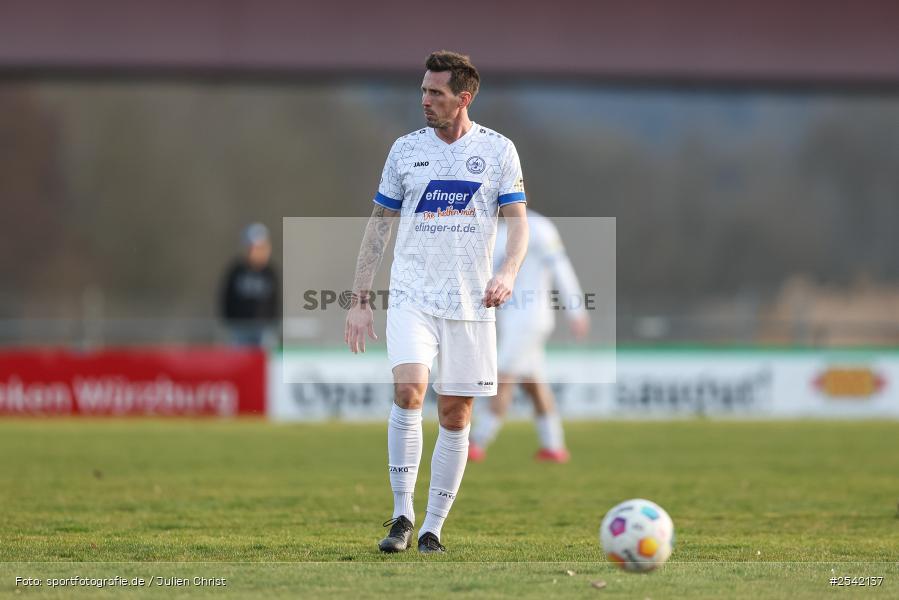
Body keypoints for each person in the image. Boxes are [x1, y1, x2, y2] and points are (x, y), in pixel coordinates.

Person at [345, 51, 528, 554]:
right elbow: (379, 226)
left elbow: (518, 225)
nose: (425, 100)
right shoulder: (405, 150)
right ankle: (401, 516)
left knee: (455, 414)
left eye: (436, 93)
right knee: (409, 391)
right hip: (412, 295)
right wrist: (360, 298)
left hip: (470, 304)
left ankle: (433, 528)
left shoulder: (499, 151)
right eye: (423, 91)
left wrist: (508, 272)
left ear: (463, 98)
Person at [469, 209, 589, 463]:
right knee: (533, 383)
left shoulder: (539, 227)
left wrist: (576, 310)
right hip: (510, 321)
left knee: (502, 377)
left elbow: (561, 268)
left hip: (530, 318)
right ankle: (553, 446)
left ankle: (477, 441)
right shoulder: (491, 231)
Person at [219, 222, 280, 347]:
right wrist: (230, 322)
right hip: (240, 327)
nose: (255, 252)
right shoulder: (236, 271)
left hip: (265, 328)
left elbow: (277, 300)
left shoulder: (271, 273)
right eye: (252, 248)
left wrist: (274, 322)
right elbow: (227, 297)